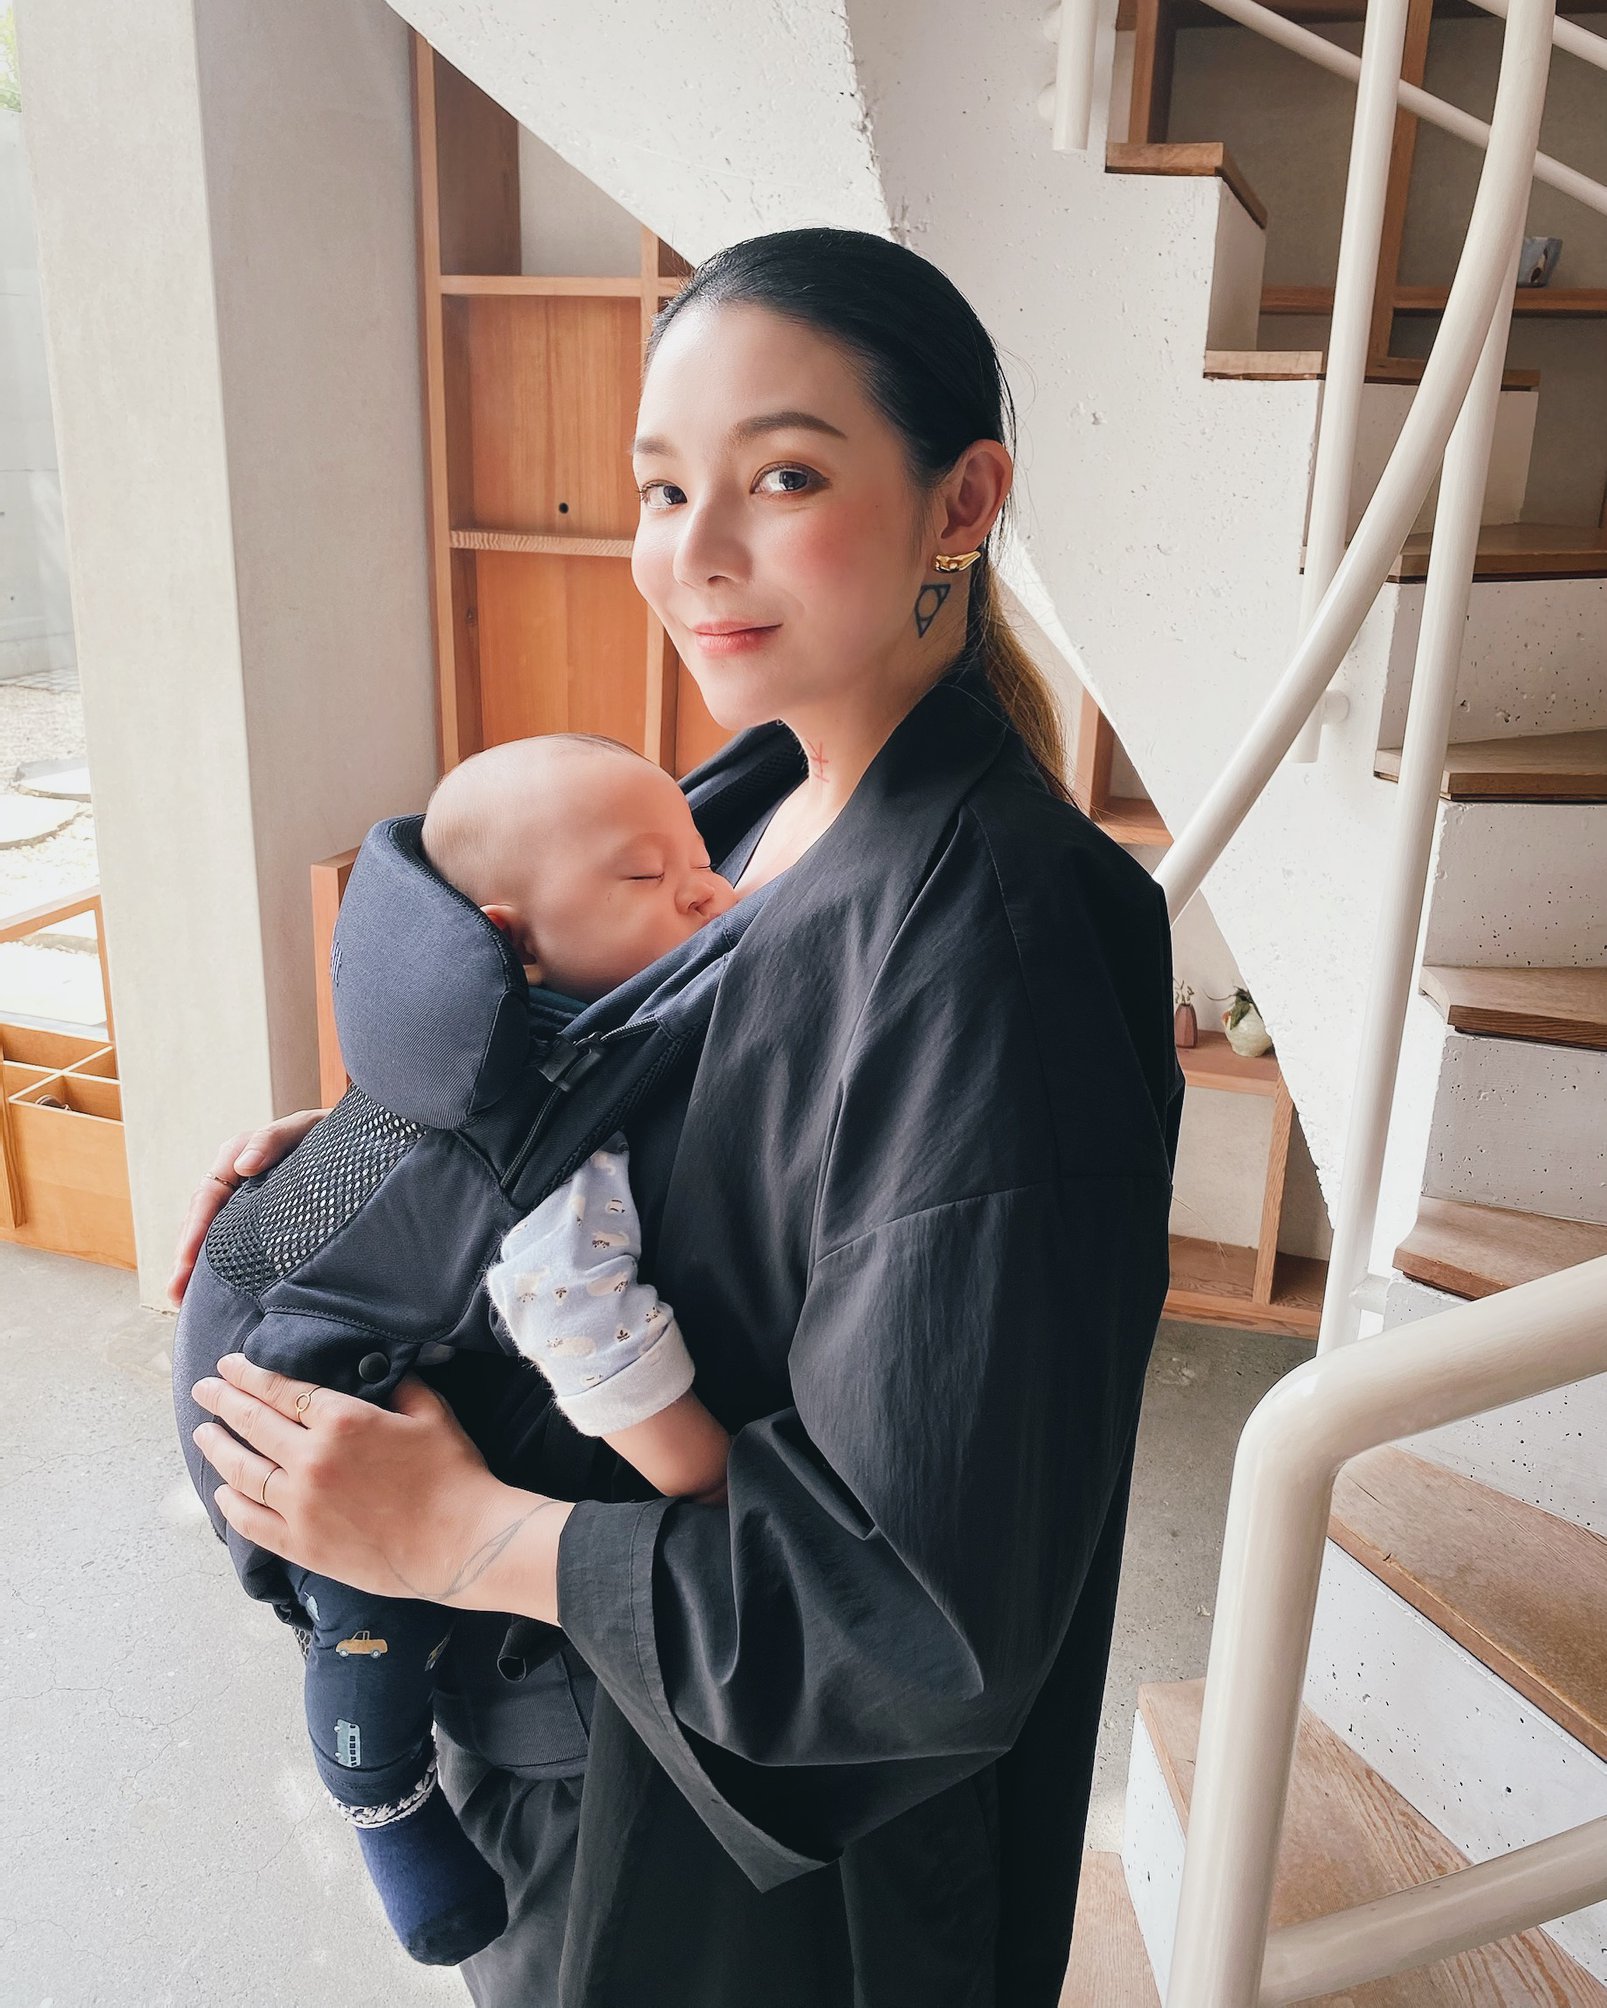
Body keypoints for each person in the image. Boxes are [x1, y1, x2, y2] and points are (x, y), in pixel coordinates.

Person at [180, 225, 1185, 2007]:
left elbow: (922, 1626)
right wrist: (380, 1173)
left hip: (742, 1883)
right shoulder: (748, 805)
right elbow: (626, 1119)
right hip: (568, 1747)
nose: (691, 553)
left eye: (782, 476)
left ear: (960, 503)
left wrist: (459, 1536)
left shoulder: (1000, 953)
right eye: (659, 488)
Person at [169, 731, 740, 1968]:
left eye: (703, 859)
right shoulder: (546, 1137)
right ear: (513, 940)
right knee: (373, 1616)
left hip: (268, 1293)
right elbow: (587, 1333)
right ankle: (386, 1807)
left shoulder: (490, 1031)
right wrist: (711, 1478)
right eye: (649, 876)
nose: (708, 891)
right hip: (281, 1393)